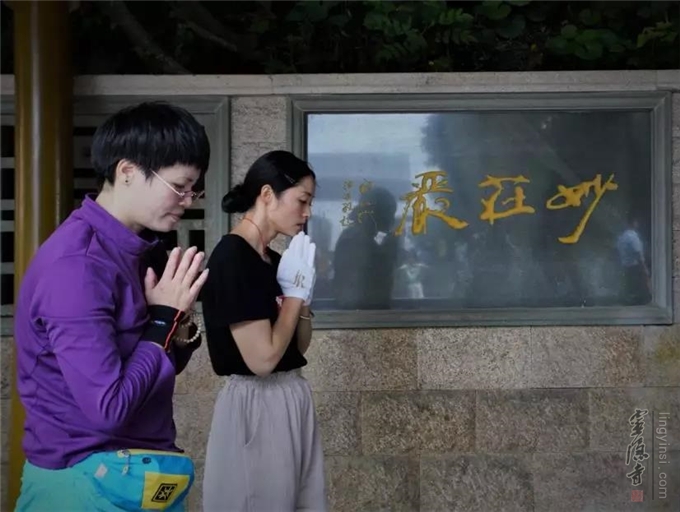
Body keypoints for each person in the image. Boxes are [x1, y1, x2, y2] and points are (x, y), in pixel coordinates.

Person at [13, 101, 211, 511]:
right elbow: (109, 408)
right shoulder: (78, 267)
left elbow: (155, 366)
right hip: (83, 483)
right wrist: (163, 320)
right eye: (180, 186)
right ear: (127, 172)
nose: (188, 200)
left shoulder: (140, 250)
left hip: (133, 473)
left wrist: (178, 323)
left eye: (194, 189)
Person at [201, 150, 327, 512]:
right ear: (268, 194)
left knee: (303, 501)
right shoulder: (233, 257)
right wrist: (293, 295)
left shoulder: (273, 260)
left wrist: (302, 300)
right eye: (302, 200)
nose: (307, 212)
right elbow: (263, 360)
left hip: (291, 394)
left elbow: (297, 346)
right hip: (257, 402)